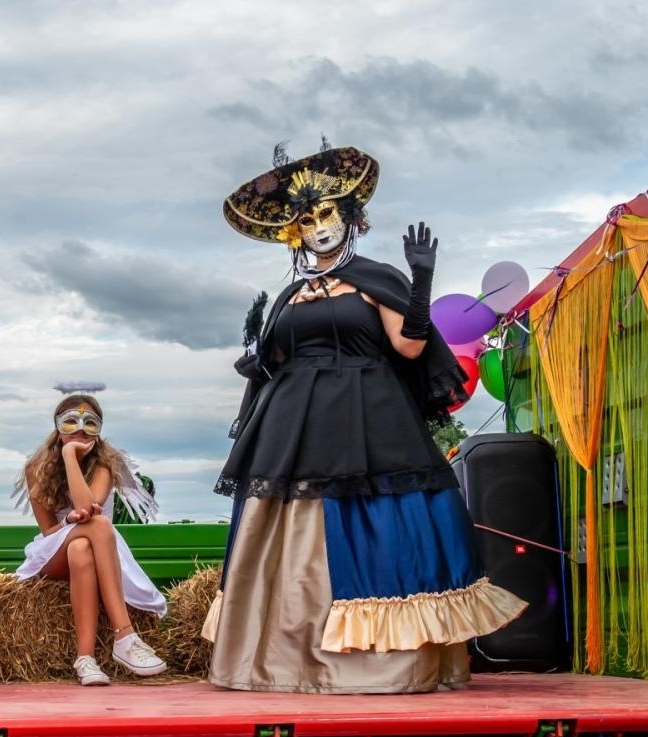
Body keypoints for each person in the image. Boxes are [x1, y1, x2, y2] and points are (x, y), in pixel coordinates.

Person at [208, 143, 525, 694]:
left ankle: (377, 663)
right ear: (296, 233)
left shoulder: (375, 277)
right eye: (307, 219)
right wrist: (255, 353)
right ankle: (284, 661)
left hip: (369, 420)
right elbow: (274, 363)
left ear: (350, 218)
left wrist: (421, 284)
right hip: (294, 429)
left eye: (328, 212)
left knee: (376, 528)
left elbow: (407, 348)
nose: (319, 225)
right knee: (286, 534)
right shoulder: (291, 295)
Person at [15, 393, 167, 686]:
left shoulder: (105, 464)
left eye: (90, 423)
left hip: (101, 549)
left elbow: (86, 508)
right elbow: (52, 528)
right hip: (52, 549)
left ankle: (85, 659)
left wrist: (71, 459)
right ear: (57, 427)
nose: (80, 429)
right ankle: (124, 635)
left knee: (82, 548)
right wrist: (68, 455)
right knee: (94, 525)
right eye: (70, 421)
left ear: (99, 430)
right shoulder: (36, 468)